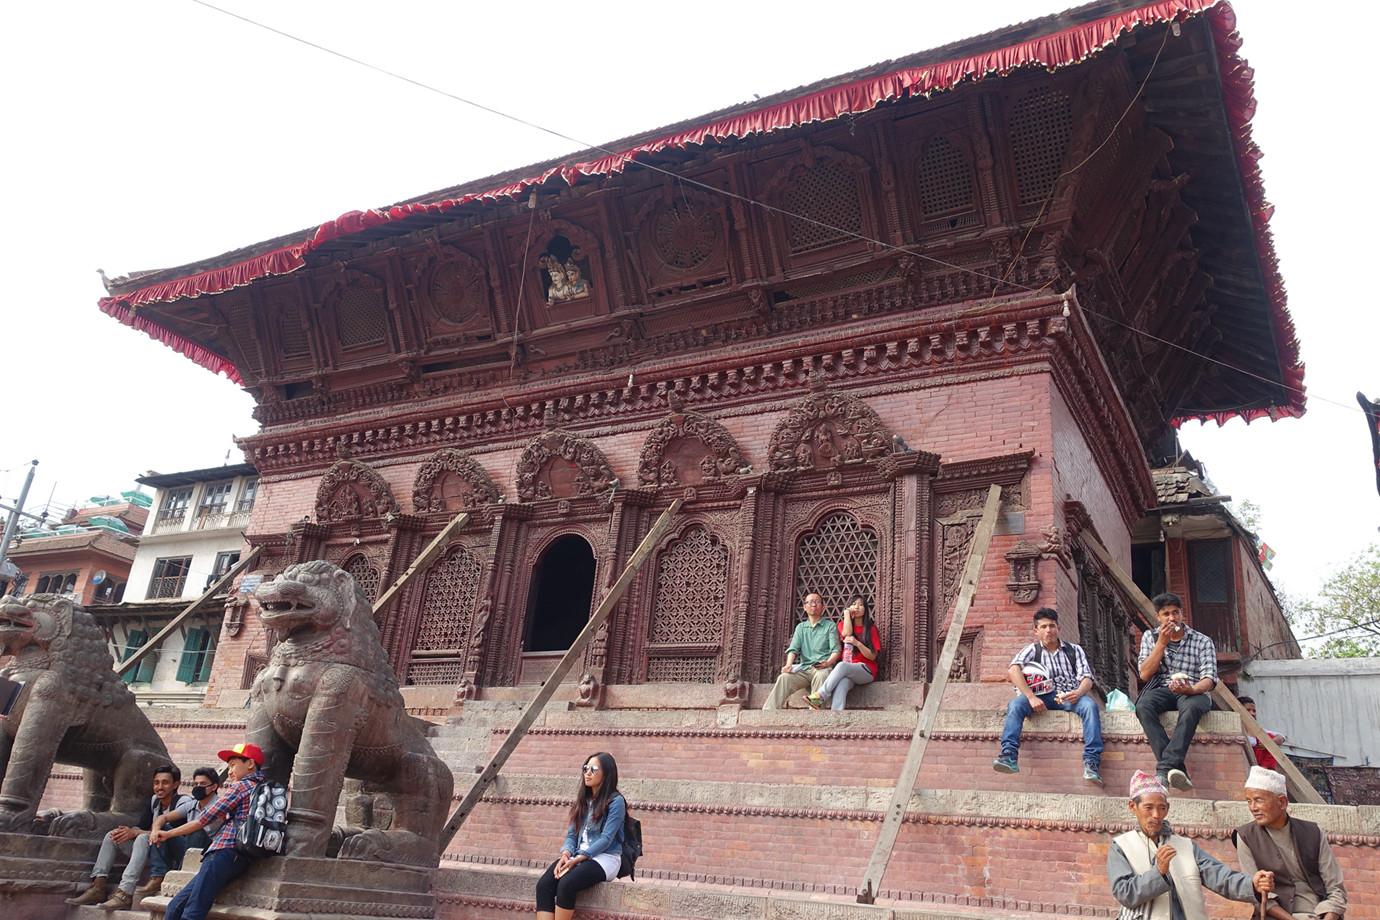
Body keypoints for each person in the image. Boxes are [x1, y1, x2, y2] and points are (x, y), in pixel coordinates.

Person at [1108, 770, 1275, 920]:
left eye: (1162, 808)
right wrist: (1158, 873)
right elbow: (1125, 893)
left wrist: (1251, 884)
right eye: (1148, 808)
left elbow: (1220, 877)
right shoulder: (1121, 846)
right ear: (1133, 807)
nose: (1156, 815)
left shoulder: (1185, 846)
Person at [148, 742, 265, 920]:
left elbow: (204, 818)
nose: (230, 771)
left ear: (250, 764)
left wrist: (169, 834)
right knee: (176, 905)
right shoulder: (263, 788)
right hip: (240, 857)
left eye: (233, 765)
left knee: (191, 911)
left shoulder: (240, 787)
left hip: (222, 853)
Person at [992, 607, 1104, 785]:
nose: (1048, 630)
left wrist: (1078, 693)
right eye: (1043, 627)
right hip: (1040, 696)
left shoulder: (1074, 650)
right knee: (1015, 705)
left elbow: (1087, 678)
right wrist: (1030, 697)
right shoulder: (1032, 650)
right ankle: (1009, 756)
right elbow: (1013, 670)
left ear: (1058, 629)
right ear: (1036, 631)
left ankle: (1092, 762)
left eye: (1052, 626)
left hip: (1068, 696)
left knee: (1090, 707)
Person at [65, 764, 194, 909]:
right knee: (112, 836)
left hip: (167, 858)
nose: (160, 787)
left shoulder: (183, 803)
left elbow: (170, 835)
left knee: (142, 838)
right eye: (156, 783)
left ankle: (125, 893)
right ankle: (97, 886)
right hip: (147, 852)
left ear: (175, 784)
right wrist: (129, 831)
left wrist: (137, 833)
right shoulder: (154, 802)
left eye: (165, 782)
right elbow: (143, 825)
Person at [1234, 765, 1347, 919]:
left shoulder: (1312, 832)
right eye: (1249, 802)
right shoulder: (1246, 836)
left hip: (1319, 912)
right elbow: (1256, 895)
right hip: (1279, 916)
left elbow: (1336, 889)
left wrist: (1329, 916)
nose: (1253, 808)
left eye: (1259, 801)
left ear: (1282, 802)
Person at [1135, 592, 1218, 791]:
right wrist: (1161, 643)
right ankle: (1176, 768)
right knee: (1143, 706)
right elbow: (1145, 674)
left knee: (1191, 709)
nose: (1172, 618)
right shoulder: (1150, 637)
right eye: (1166, 614)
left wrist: (1192, 689)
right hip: (1163, 689)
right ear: (1158, 617)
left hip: (1194, 690)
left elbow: (1210, 678)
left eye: (1175, 613)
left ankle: (1164, 770)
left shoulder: (1202, 641)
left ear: (1182, 614)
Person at [535, 752, 625, 920]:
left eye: (594, 769)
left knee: (566, 884)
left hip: (605, 858)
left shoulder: (615, 801)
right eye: (586, 768)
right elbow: (572, 834)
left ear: (607, 773)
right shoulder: (585, 799)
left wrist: (577, 860)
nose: (588, 773)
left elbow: (606, 839)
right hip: (577, 856)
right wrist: (565, 855)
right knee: (544, 885)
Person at [139, 767, 224, 895]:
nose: (198, 787)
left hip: (207, 854)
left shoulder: (220, 805)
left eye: (203, 784)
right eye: (196, 784)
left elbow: (198, 825)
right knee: (162, 827)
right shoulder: (193, 804)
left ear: (214, 787)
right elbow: (163, 817)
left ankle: (182, 876)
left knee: (197, 833)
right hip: (187, 851)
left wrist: (168, 834)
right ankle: (157, 876)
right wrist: (156, 829)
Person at [762, 593, 840, 709]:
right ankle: (768, 712)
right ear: (804, 607)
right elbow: (793, 648)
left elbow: (836, 650)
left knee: (821, 676)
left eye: (817, 602)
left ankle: (815, 715)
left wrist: (828, 663)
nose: (813, 604)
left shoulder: (830, 626)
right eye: (810, 602)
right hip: (804, 669)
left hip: (821, 667)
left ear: (822, 606)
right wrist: (788, 665)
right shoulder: (801, 627)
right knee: (784, 678)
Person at [806, 595, 881, 711]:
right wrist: (846, 614)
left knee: (842, 665)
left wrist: (858, 644)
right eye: (853, 604)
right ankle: (836, 716)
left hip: (866, 670)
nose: (857, 607)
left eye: (861, 605)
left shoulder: (871, 629)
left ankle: (820, 696)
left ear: (865, 609)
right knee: (842, 683)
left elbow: (872, 656)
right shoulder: (842, 625)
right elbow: (847, 633)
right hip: (848, 670)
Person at [1238, 696, 1286, 772]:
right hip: (1240, 768)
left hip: (1261, 769)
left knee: (1269, 739)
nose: (1252, 713)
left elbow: (1281, 737)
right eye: (1248, 710)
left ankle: (1263, 771)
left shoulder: (1259, 731)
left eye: (1254, 711)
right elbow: (1252, 742)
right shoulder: (1234, 731)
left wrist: (1268, 742)